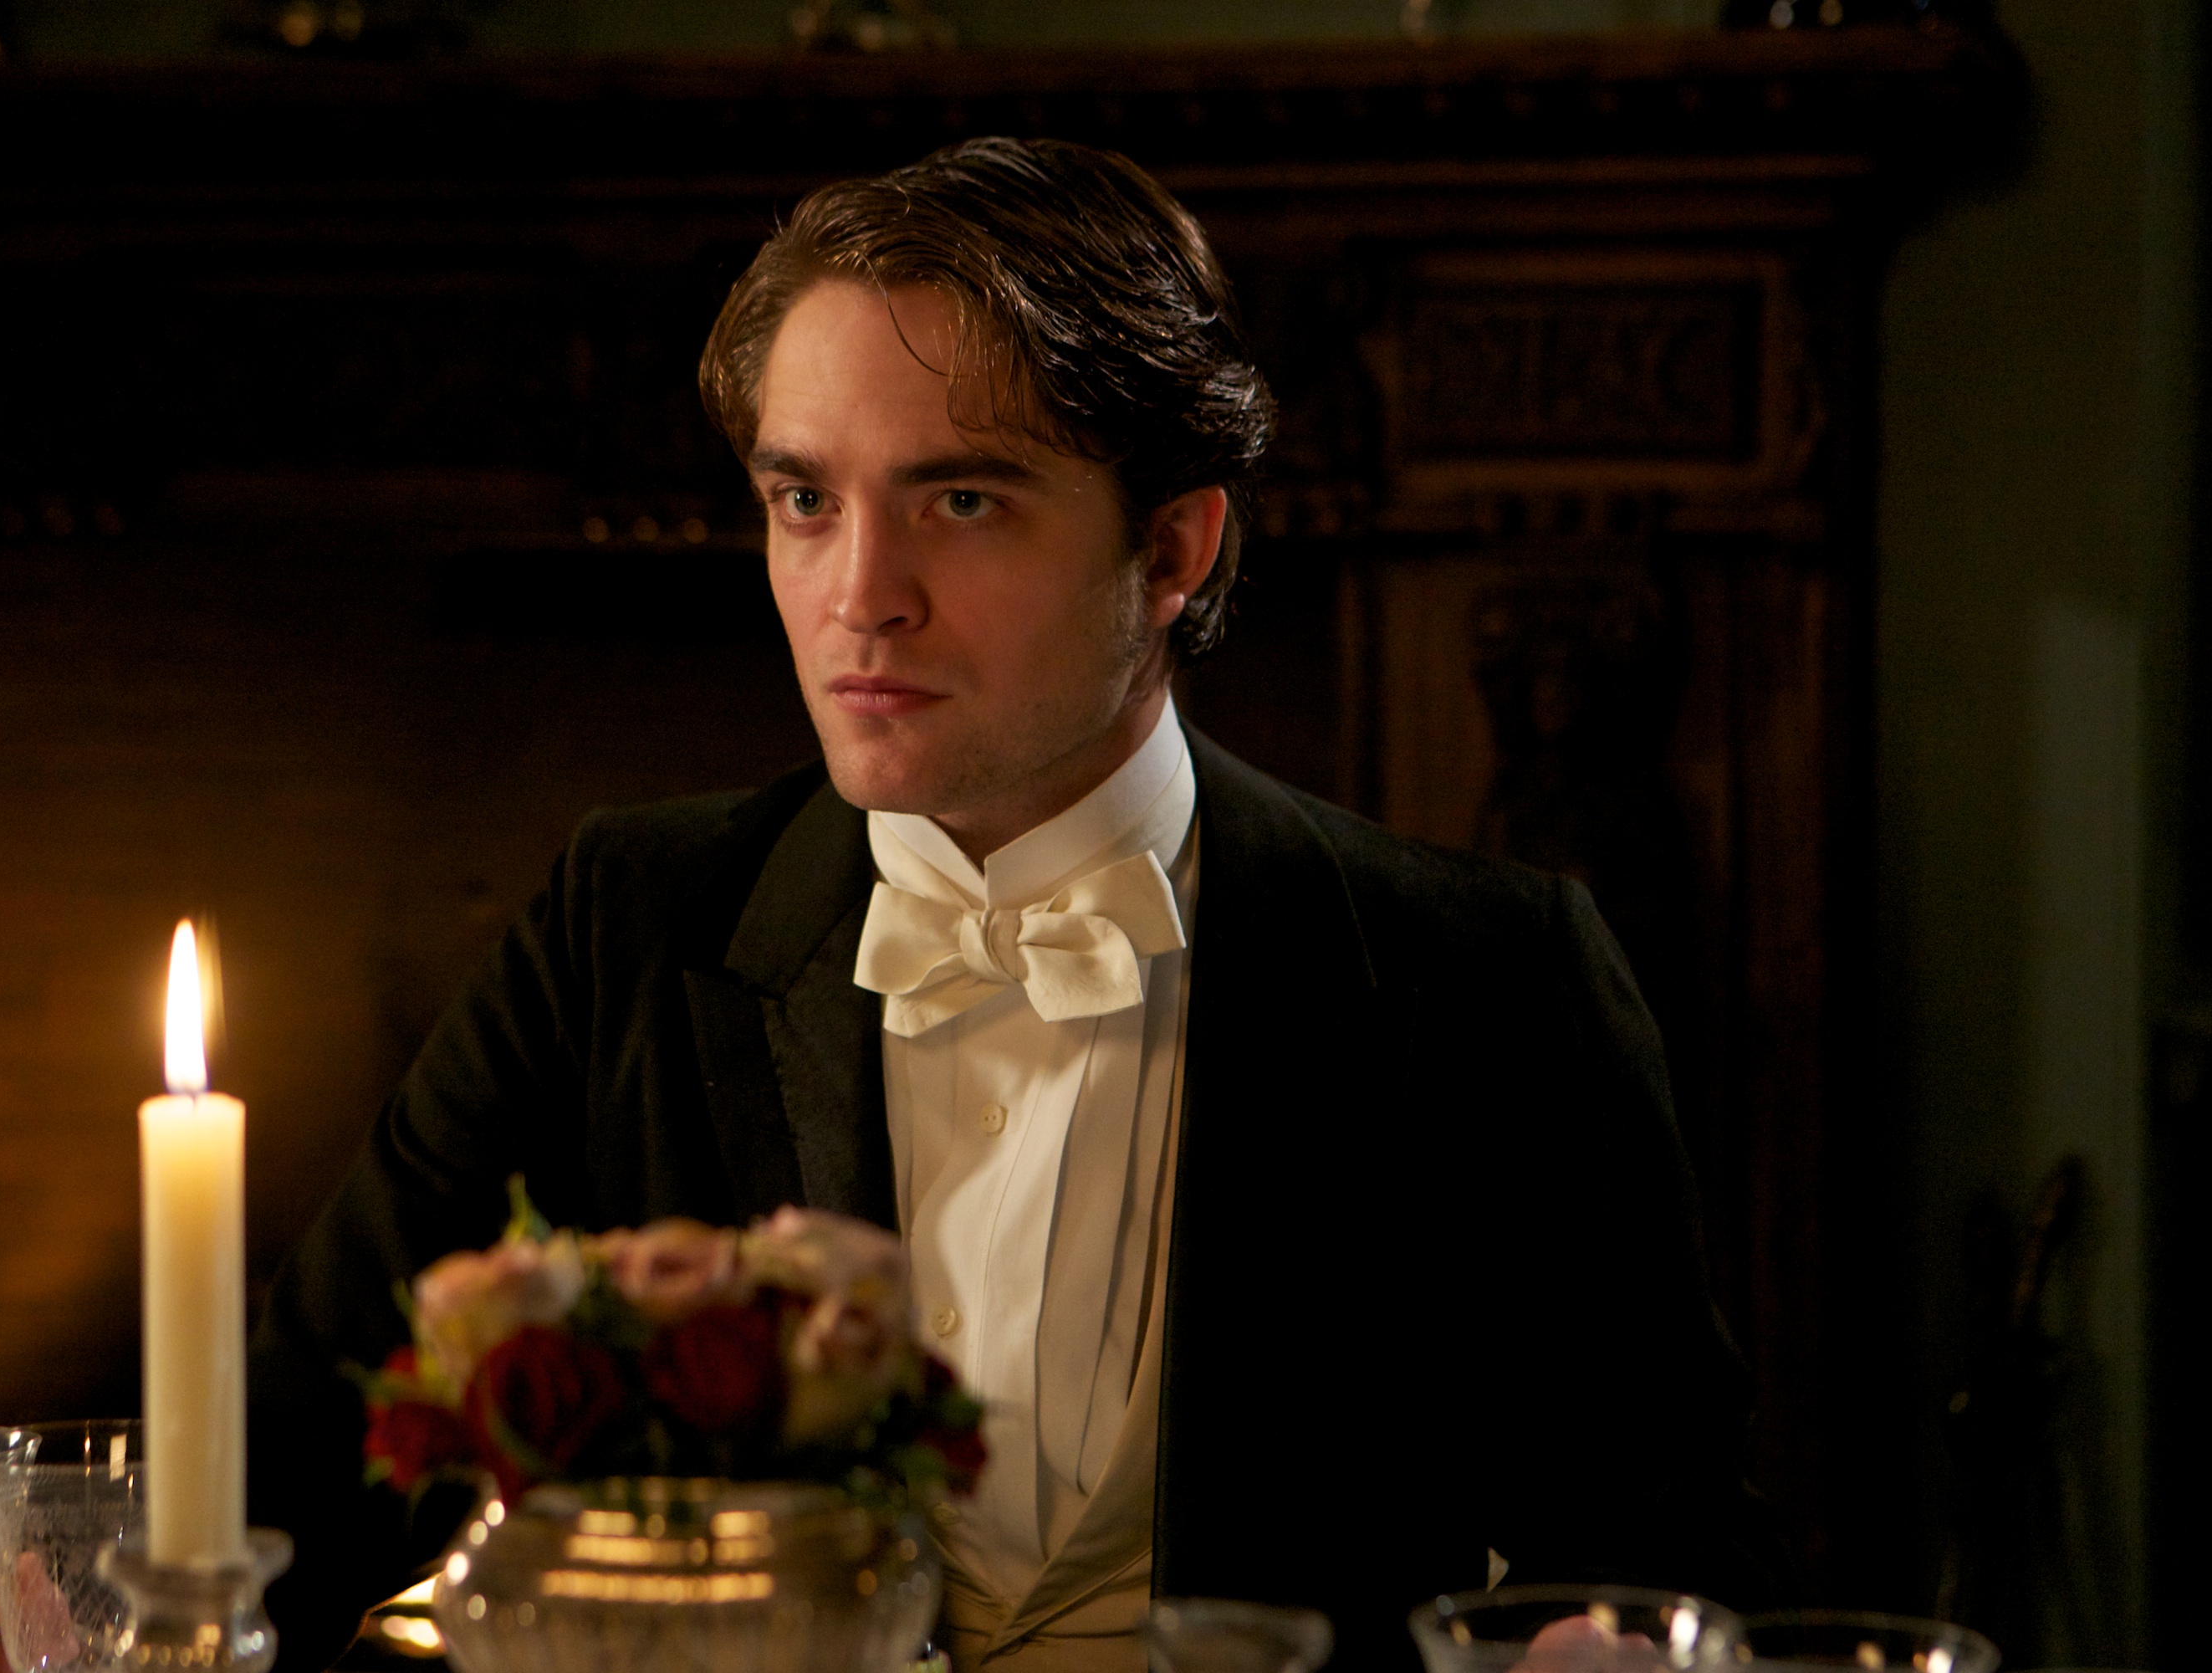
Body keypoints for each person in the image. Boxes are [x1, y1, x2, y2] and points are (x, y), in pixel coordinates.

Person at [248, 136, 1774, 1673]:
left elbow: (1656, 1565)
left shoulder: (1489, 977)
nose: (860, 594)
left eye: (962, 500)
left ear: (1173, 548)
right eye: (804, 498)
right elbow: (286, 1481)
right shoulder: (622, 926)